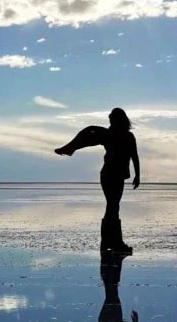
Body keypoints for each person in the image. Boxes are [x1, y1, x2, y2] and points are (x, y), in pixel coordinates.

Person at [55, 107, 140, 254]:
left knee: (113, 207)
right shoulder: (109, 134)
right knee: (113, 206)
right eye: (110, 119)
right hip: (109, 174)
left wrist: (138, 175)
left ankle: (111, 242)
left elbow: (134, 155)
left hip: (116, 175)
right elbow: (89, 136)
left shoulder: (124, 136)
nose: (110, 121)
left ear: (119, 120)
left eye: (112, 118)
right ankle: (113, 243)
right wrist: (73, 146)